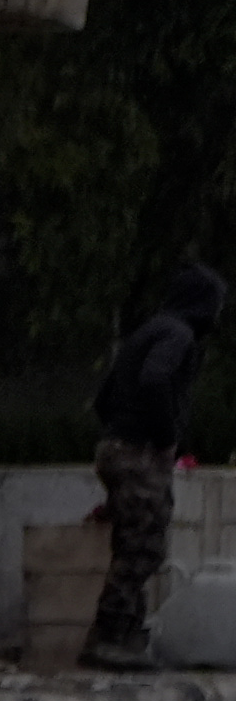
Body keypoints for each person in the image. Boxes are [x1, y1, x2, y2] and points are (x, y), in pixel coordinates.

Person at [87, 258, 219, 670]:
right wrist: (164, 438)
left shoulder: (149, 330)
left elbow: (106, 395)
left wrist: (120, 431)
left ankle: (126, 634)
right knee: (142, 546)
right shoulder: (177, 335)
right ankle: (108, 637)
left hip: (117, 447)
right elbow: (156, 379)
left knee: (138, 541)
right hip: (140, 452)